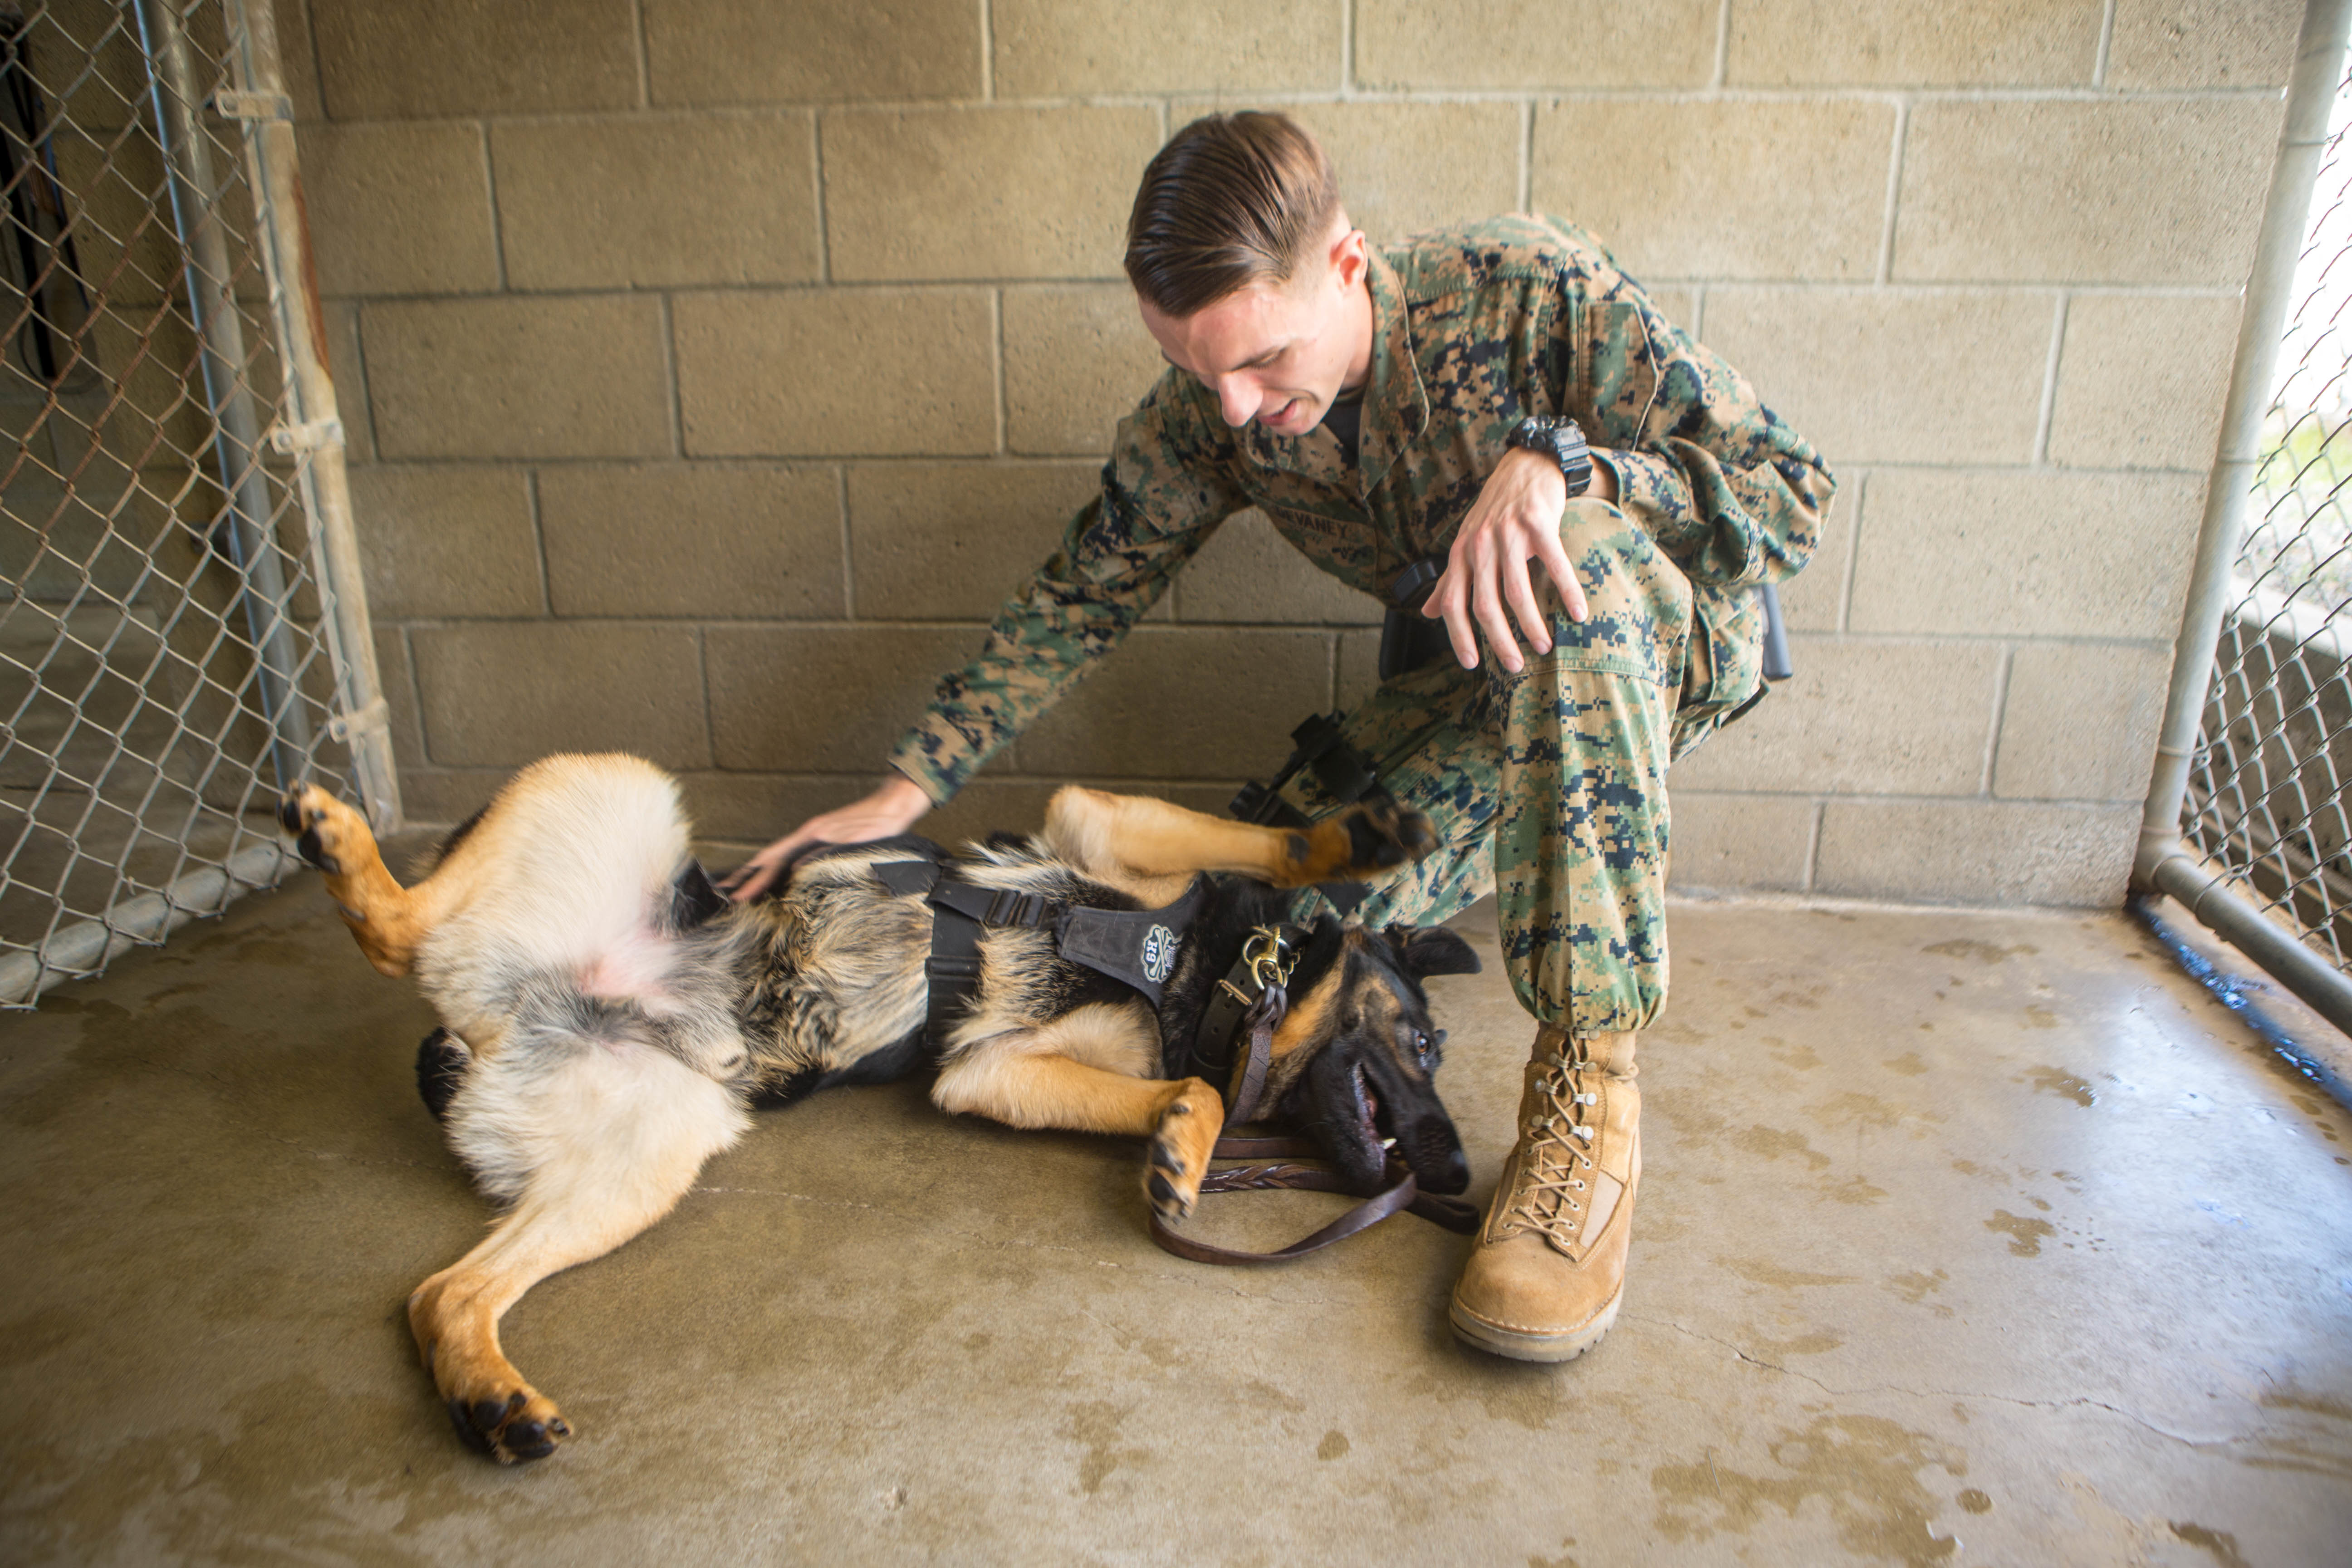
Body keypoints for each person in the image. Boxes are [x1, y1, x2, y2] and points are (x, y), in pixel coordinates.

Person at [722, 112, 1832, 1362]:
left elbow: (1792, 492)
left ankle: (1590, 1091)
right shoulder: (1223, 403)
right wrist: (909, 781)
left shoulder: (1523, 291)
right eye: (1203, 375)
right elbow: (1087, 587)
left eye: (1262, 362)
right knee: (1272, 928)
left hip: (1648, 638)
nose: (1240, 408)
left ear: (1347, 263)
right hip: (1484, 677)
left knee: (1562, 552)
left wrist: (1578, 474)